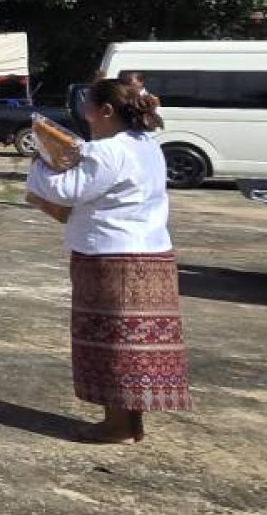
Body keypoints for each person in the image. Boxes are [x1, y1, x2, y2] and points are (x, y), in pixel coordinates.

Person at [26, 74, 186, 444]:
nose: (87, 118)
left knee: (113, 343)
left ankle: (117, 425)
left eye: (90, 111)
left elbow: (66, 191)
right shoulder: (148, 145)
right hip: (151, 253)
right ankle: (132, 423)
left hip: (111, 255)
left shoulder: (109, 150)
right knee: (136, 346)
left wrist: (42, 161)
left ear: (108, 111)